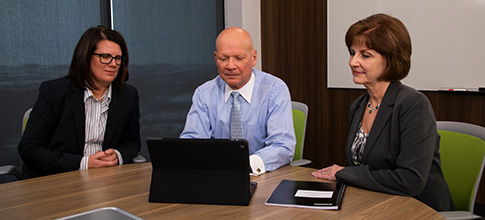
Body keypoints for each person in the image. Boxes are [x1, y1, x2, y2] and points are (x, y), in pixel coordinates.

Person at [311, 13, 455, 211]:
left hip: (418, 210)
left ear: (391, 59)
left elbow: (409, 180)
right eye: (352, 53)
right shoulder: (359, 105)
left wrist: (342, 173)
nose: (353, 62)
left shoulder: (414, 105)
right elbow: (358, 168)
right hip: (374, 204)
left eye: (365, 55)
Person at [18, 26, 141, 178]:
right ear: (86, 57)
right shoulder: (54, 92)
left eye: (118, 58)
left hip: (107, 179)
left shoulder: (128, 95)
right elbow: (30, 149)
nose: (113, 64)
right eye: (105, 56)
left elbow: (132, 143)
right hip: (58, 179)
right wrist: (84, 163)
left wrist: (117, 155)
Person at [180, 27, 295, 175]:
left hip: (263, 176)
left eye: (239, 58)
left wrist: (242, 164)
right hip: (217, 177)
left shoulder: (275, 90)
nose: (230, 66)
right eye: (223, 58)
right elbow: (191, 142)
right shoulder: (204, 93)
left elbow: (283, 146)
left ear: (253, 58)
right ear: (215, 58)